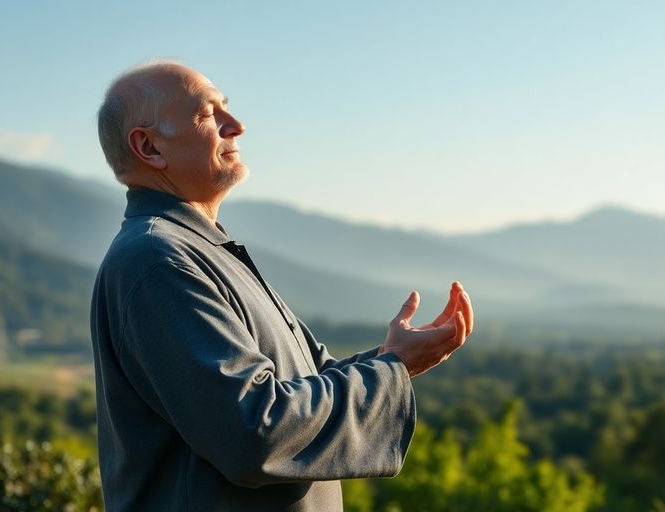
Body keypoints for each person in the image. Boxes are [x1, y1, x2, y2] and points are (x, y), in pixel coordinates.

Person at [90, 60, 474, 512]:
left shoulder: (201, 250)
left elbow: (307, 383)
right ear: (149, 146)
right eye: (208, 113)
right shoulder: (157, 260)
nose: (236, 125)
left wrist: (393, 359)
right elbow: (254, 430)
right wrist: (392, 369)